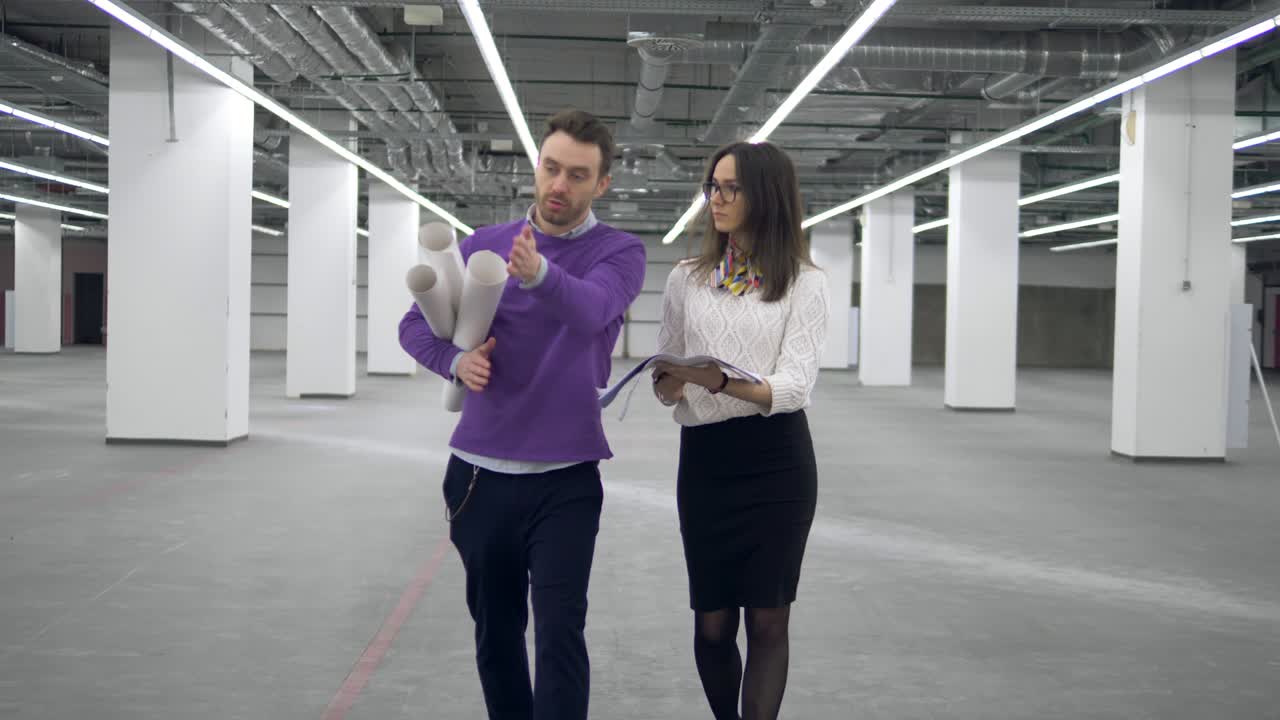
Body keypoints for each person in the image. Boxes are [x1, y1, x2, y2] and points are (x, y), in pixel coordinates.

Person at [398, 108, 646, 720]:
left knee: (560, 634)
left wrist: (538, 275)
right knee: (497, 634)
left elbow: (591, 310)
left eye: (578, 175)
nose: (559, 184)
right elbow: (412, 325)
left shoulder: (620, 252)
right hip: (477, 478)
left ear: (602, 184)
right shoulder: (483, 244)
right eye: (551, 168)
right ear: (537, 166)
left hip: (565, 481)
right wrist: (455, 362)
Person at [651, 141, 829, 720]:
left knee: (768, 620)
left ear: (766, 196)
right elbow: (667, 376)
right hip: (706, 464)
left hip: (777, 464)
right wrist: (671, 383)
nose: (717, 199)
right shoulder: (686, 279)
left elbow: (794, 386)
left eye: (731, 188)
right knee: (712, 625)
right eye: (713, 187)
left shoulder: (804, 283)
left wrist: (722, 382)